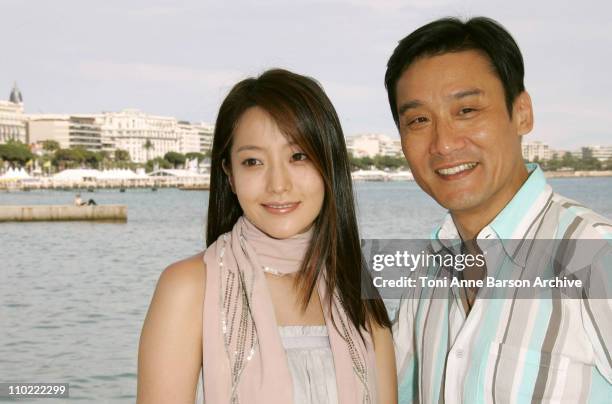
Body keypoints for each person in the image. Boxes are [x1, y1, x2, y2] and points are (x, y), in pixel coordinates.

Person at [384, 17, 612, 403]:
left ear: (522, 113)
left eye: (467, 110)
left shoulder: (593, 255)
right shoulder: (426, 275)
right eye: (419, 120)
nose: (444, 143)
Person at [137, 69, 397, 403]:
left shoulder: (355, 284)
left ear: (329, 164)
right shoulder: (188, 287)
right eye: (253, 161)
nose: (278, 184)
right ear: (229, 175)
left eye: (298, 156)